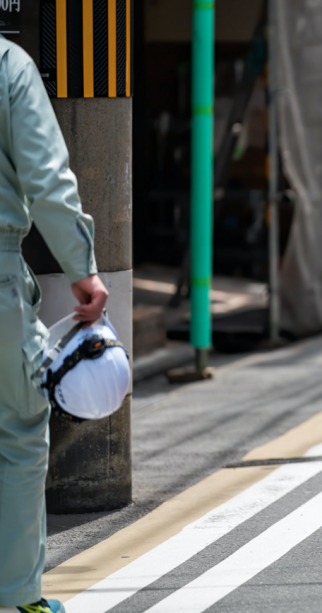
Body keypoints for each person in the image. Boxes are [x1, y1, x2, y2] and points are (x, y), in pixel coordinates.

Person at [0, 38, 108, 613]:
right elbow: (46, 180)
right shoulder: (7, 66)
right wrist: (82, 270)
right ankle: (18, 599)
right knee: (17, 431)